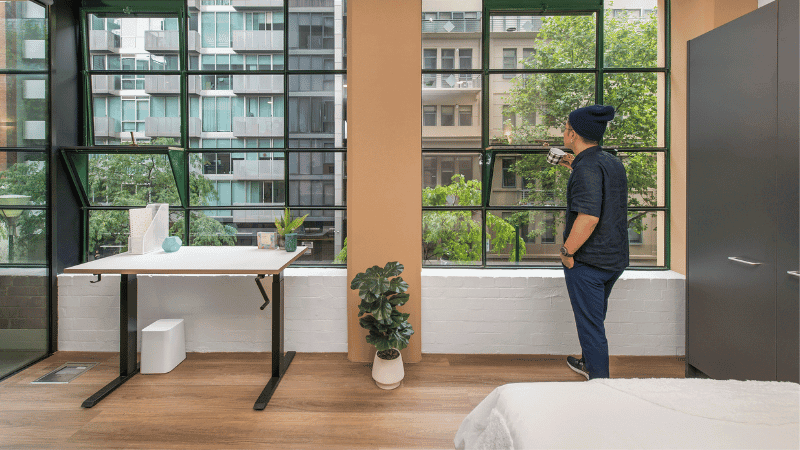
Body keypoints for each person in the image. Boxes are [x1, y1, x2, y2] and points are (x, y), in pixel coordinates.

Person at [557, 104, 628, 380]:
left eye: (566, 129)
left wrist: (567, 251)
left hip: (589, 262)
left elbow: (588, 218)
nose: (564, 133)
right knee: (595, 318)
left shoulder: (586, 168)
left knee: (591, 326)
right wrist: (574, 165)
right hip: (614, 259)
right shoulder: (610, 162)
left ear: (573, 134)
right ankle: (588, 362)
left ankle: (600, 384)